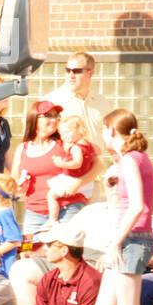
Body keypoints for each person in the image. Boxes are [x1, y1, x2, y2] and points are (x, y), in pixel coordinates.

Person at [90, 108, 153, 305]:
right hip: (125, 238)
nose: (103, 135)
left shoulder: (131, 159)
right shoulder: (127, 160)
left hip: (133, 239)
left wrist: (116, 242)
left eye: (104, 130)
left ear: (111, 131)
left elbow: (139, 205)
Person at [41, 52, 113, 201]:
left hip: (94, 178)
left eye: (77, 71)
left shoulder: (102, 102)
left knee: (91, 224)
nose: (70, 75)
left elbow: (109, 138)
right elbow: (41, 139)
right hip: (65, 179)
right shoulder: (52, 101)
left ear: (90, 73)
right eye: (68, 70)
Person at [11, 100, 75, 235]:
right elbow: (14, 184)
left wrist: (78, 183)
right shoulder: (23, 148)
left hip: (66, 209)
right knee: (31, 253)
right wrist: (19, 187)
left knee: (62, 253)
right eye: (48, 115)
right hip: (34, 212)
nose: (55, 120)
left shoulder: (65, 144)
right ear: (34, 118)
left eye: (56, 116)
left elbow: (95, 160)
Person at [43, 115, 97, 228]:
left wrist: (62, 164)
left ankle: (52, 220)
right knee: (86, 201)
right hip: (86, 181)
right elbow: (98, 153)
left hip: (72, 179)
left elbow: (77, 163)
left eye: (67, 132)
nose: (64, 137)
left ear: (79, 129)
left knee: (51, 195)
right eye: (62, 134)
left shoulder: (76, 147)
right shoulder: (89, 145)